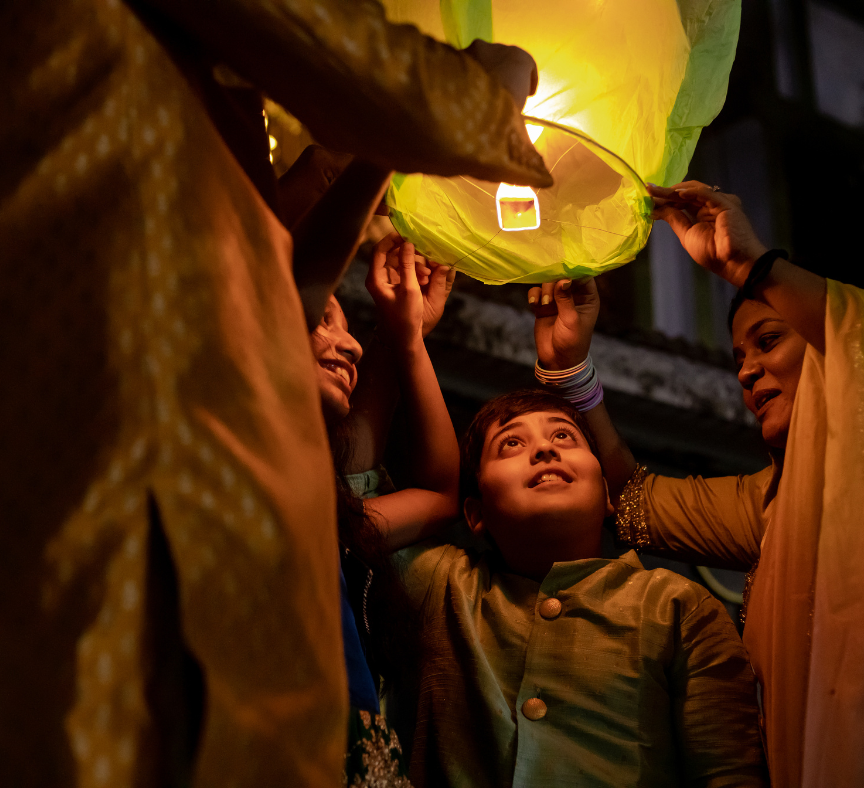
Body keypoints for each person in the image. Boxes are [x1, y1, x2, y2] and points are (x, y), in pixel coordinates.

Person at [0, 0, 552, 782]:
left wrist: (368, 159)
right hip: (140, 483)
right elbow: (368, 70)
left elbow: (272, 283)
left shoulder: (168, 100)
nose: (344, 341)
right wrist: (493, 83)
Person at [527, 182, 864, 787]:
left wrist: (748, 263)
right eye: (738, 357)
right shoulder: (769, 505)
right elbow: (632, 500)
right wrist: (569, 367)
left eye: (769, 340)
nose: (747, 370)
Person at [391, 388, 768, 787]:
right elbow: (353, 509)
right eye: (512, 443)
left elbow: (730, 773)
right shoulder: (443, 584)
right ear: (475, 513)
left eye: (563, 436)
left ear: (607, 494)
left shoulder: (677, 605)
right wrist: (405, 343)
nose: (544, 451)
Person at [308, 234, 459, 786]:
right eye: (321, 319)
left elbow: (442, 498)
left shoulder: (330, 514)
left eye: (349, 328)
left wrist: (408, 338)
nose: (351, 347)